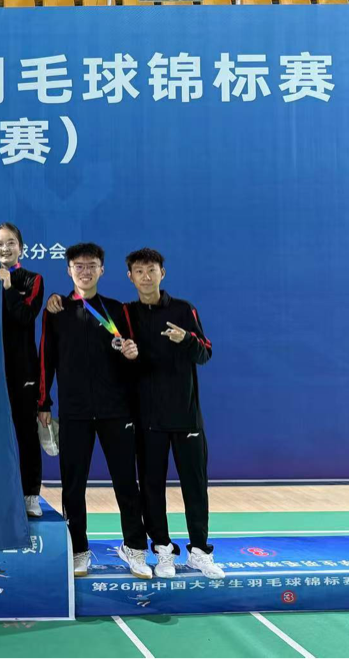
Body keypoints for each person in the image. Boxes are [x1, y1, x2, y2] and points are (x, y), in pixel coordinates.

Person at [38, 242, 150, 579]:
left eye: (91, 265)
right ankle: (78, 550)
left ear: (102, 269)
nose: (85, 271)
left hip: (116, 411)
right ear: (69, 270)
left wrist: (132, 355)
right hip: (74, 412)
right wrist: (43, 403)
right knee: (73, 487)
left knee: (126, 483)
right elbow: (45, 359)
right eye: (79, 266)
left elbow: (133, 357)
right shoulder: (56, 310)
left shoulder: (118, 310)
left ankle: (135, 547)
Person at [123, 248, 223, 580]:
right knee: (152, 488)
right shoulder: (126, 313)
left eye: (151, 270)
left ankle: (200, 552)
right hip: (148, 420)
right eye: (139, 271)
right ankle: (162, 550)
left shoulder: (183, 309)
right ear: (130, 277)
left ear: (162, 273)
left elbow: (205, 353)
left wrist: (187, 338)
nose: (146, 276)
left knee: (195, 486)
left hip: (186, 417)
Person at [0, 223, 45, 517]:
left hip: (23, 371)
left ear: (20, 247)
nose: (5, 248)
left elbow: (25, 316)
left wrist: (9, 287)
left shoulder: (32, 279)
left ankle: (30, 494)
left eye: (10, 243)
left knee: (26, 433)